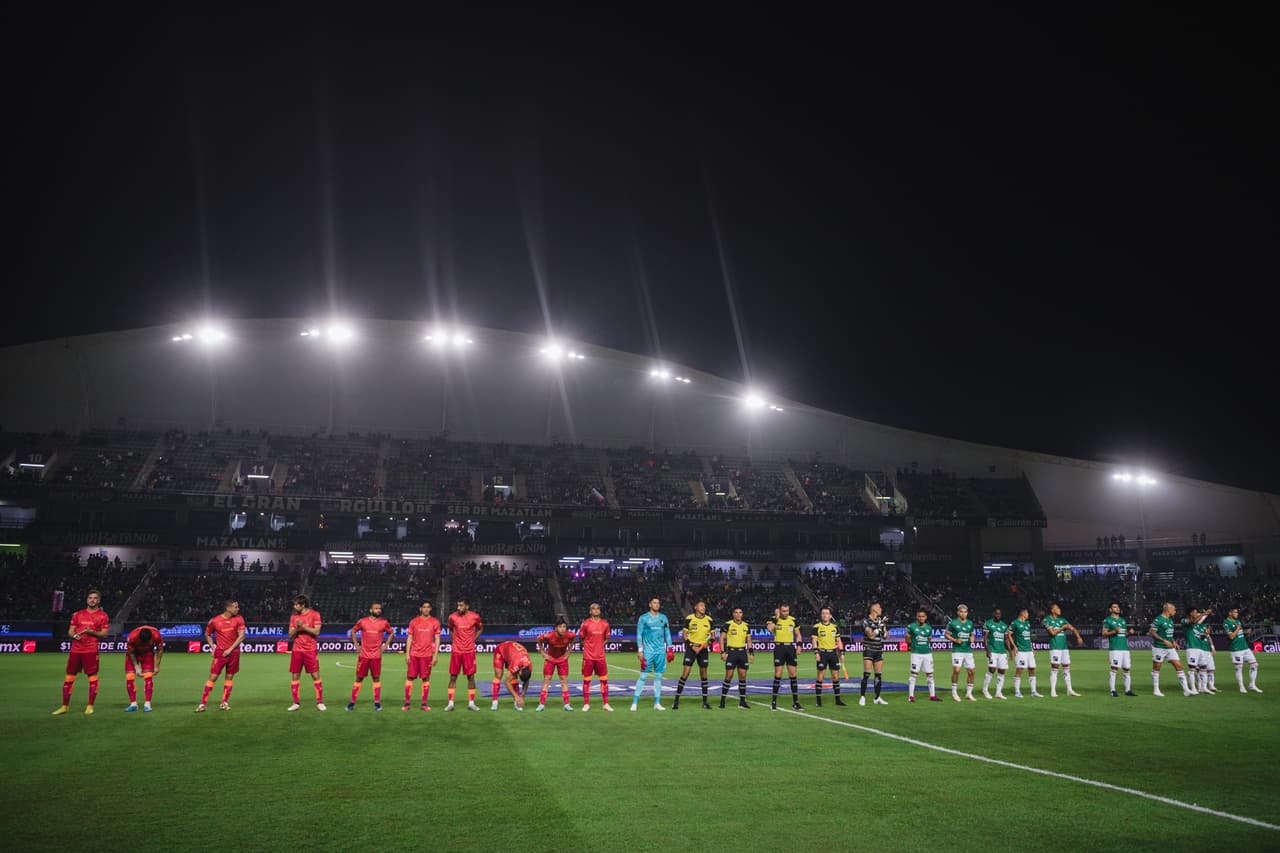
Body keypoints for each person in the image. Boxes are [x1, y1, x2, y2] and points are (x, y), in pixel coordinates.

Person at [54, 590, 109, 716]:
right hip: (76, 650)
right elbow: (70, 631)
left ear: (99, 601)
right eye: (90, 598)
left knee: (92, 677)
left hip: (91, 650)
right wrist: (74, 636)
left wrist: (91, 632)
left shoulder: (103, 616)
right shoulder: (78, 614)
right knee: (69, 677)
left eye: (95, 598)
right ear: (87, 599)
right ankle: (64, 706)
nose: (92, 600)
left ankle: (90, 706)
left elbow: (104, 634)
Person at [197, 599, 245, 712]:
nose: (238, 609)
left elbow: (242, 636)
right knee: (213, 677)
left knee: (229, 677)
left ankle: (224, 702)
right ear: (228, 608)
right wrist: (212, 647)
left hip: (233, 653)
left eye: (237, 607)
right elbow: (207, 634)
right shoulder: (215, 621)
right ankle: (203, 704)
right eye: (235, 607)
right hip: (220, 653)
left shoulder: (239, 619)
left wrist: (230, 649)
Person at [347, 602, 393, 711]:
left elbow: (391, 633)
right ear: (371, 610)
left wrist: (385, 646)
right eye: (376, 608)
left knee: (376, 678)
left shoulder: (384, 622)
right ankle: (352, 702)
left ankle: (377, 703)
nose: (378, 610)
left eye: (379, 609)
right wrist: (356, 645)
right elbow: (353, 631)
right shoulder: (362, 621)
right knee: (359, 678)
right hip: (364, 655)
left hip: (376, 656)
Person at [631, 597, 671, 711]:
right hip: (648, 652)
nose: (657, 604)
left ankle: (657, 703)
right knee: (643, 676)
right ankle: (634, 702)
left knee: (658, 677)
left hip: (660, 652)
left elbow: (667, 634)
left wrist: (670, 648)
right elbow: (639, 634)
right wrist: (640, 650)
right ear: (650, 604)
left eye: (658, 603)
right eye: (654, 602)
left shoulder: (663, 618)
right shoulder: (644, 618)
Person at [287, 595, 326, 711]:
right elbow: (290, 635)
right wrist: (296, 627)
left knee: (315, 675)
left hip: (310, 649)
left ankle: (320, 702)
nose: (294, 606)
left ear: (303, 605)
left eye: (296, 604)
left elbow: (317, 631)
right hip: (297, 649)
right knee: (295, 675)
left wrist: (302, 626)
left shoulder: (315, 614)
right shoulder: (294, 617)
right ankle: (296, 703)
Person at [673, 600, 714, 710]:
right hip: (691, 649)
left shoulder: (709, 620)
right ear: (696, 607)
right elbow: (685, 635)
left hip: (703, 650)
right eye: (701, 605)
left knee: (704, 675)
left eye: (704, 606)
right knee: (685, 674)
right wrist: (692, 646)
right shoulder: (690, 618)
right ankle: (676, 700)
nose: (703, 607)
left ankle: (705, 702)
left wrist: (708, 643)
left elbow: (713, 636)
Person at [445, 598, 483, 711]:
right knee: (453, 676)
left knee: (471, 677)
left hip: (469, 651)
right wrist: (454, 641)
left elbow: (480, 628)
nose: (458, 608)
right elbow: (450, 628)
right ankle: (450, 703)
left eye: (461, 605)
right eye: (458, 605)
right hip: (456, 651)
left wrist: (473, 640)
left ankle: (471, 703)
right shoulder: (452, 617)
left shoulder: (475, 617)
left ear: (467, 606)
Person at [1149, 601, 1192, 697]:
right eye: (1174, 609)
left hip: (1170, 648)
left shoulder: (1170, 620)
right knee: (1157, 667)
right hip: (1159, 647)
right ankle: (1156, 690)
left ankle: (1186, 690)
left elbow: (1169, 634)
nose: (1175, 611)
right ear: (1168, 609)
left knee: (1178, 666)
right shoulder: (1158, 619)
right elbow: (1152, 632)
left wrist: (1174, 642)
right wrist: (1164, 640)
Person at [403, 601, 440, 711]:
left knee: (426, 678)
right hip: (414, 654)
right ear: (420, 609)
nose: (426, 609)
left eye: (428, 607)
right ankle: (407, 703)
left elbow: (437, 639)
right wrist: (407, 654)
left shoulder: (435, 622)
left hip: (427, 655)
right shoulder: (414, 621)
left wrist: (435, 655)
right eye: (424, 607)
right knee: (410, 677)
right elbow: (409, 638)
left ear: (430, 609)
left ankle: (424, 703)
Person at [577, 602, 613, 711]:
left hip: (600, 657)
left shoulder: (605, 624)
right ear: (590, 611)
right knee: (586, 680)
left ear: (600, 611)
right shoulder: (586, 624)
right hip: (588, 657)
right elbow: (581, 638)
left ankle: (606, 703)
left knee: (604, 680)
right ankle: (586, 704)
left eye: (598, 608)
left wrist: (600, 645)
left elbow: (607, 638)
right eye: (593, 609)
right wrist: (588, 647)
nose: (596, 610)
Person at [767, 603, 803, 710]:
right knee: (778, 674)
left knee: (793, 674)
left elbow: (798, 634)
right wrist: (777, 618)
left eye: (787, 611)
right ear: (779, 610)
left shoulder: (793, 620)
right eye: (783, 611)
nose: (785, 613)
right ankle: (773, 702)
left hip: (790, 648)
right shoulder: (773, 619)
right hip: (779, 648)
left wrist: (799, 645)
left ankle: (796, 702)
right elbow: (770, 629)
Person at [535, 617, 576, 711]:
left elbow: (573, 639)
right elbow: (538, 639)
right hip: (551, 659)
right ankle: (541, 704)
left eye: (564, 627)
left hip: (562, 660)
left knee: (564, 681)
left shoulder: (570, 635)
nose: (563, 629)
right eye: (561, 627)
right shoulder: (549, 636)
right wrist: (542, 652)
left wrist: (568, 652)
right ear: (556, 628)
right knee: (547, 680)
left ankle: (566, 704)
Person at [1043, 603, 1083, 697]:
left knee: (1066, 667)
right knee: (1055, 667)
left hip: (1064, 648)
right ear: (1052, 610)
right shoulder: (1047, 620)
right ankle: (1053, 691)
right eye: (1057, 608)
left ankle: (1069, 690)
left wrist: (1078, 637)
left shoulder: (1062, 620)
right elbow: (1052, 633)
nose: (1059, 609)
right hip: (1055, 647)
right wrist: (1063, 628)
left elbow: (1073, 628)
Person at [718, 607, 754, 709]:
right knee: (728, 677)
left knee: (742, 677)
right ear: (733, 614)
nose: (738, 614)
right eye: (736, 613)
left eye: (740, 613)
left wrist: (751, 653)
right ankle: (722, 701)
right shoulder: (728, 624)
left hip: (742, 653)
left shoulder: (746, 626)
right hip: (732, 653)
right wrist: (722, 651)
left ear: (742, 614)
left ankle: (742, 702)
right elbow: (721, 638)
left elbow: (749, 640)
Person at [811, 607, 846, 707]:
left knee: (835, 677)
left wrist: (842, 653)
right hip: (822, 653)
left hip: (833, 653)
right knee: (820, 677)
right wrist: (816, 653)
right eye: (823, 613)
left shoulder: (834, 627)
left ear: (830, 616)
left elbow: (838, 641)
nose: (824, 615)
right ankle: (818, 701)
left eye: (826, 613)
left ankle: (838, 700)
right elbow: (814, 641)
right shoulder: (817, 627)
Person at [124, 624, 163, 712]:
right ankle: (133, 704)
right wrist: (136, 667)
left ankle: (147, 704)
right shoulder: (132, 636)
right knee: (129, 677)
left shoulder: (156, 635)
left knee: (148, 677)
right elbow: (131, 652)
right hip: (134, 654)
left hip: (148, 654)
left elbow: (160, 650)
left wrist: (157, 666)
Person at [1223, 606, 1262, 693]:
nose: (1237, 614)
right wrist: (1237, 628)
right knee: (1239, 667)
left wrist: (1245, 631)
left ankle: (1252, 685)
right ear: (1230, 613)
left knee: (1255, 665)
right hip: (1236, 648)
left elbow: (1239, 632)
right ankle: (1241, 687)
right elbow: (1231, 636)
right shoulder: (1226, 623)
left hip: (1245, 647)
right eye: (1235, 612)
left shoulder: (1237, 621)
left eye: (1237, 612)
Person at [1101, 602, 1136, 697]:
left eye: (1118, 607)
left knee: (1127, 669)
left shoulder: (1122, 620)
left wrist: (1129, 633)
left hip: (1125, 648)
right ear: (1110, 609)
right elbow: (1104, 634)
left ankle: (1128, 690)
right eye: (1114, 607)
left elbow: (1123, 635)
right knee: (1114, 669)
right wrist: (1114, 631)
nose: (1117, 608)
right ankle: (1112, 690)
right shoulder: (1107, 620)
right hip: (1115, 649)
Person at [906, 610, 939, 702]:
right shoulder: (911, 626)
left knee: (930, 675)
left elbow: (928, 640)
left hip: (927, 654)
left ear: (926, 617)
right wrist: (911, 644)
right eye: (919, 616)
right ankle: (911, 697)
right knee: (913, 674)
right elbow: (907, 639)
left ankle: (932, 696)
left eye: (923, 616)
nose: (921, 618)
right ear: (917, 617)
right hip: (916, 654)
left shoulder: (929, 628)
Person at [945, 604, 976, 702]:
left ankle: (969, 694)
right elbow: (946, 634)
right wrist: (954, 640)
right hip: (957, 650)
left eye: (965, 612)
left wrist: (972, 638)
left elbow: (972, 634)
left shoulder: (970, 623)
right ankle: (954, 693)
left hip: (968, 650)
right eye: (961, 612)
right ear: (958, 612)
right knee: (957, 670)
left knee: (971, 672)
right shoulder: (953, 623)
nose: (963, 614)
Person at [1009, 607, 1042, 698]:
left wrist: (1031, 647)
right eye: (1027, 613)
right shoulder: (1015, 623)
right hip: (1020, 650)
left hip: (1029, 651)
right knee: (1020, 669)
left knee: (1032, 669)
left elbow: (1028, 637)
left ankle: (1034, 691)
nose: (1028, 615)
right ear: (1023, 614)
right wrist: (1014, 646)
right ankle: (1017, 691)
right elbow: (1009, 635)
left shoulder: (1027, 623)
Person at [860, 602, 889, 706]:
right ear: (873, 609)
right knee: (867, 674)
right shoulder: (865, 621)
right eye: (879, 607)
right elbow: (871, 636)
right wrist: (878, 628)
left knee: (878, 675)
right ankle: (862, 696)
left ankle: (877, 697)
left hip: (878, 650)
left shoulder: (880, 621)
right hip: (869, 649)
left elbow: (885, 636)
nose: (881, 608)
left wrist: (883, 628)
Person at [490, 640, 532, 710]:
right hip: (501, 650)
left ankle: (516, 703)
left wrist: (522, 696)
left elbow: (526, 681)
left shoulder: (529, 666)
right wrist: (516, 696)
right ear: (520, 671)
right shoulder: (516, 664)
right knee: (498, 675)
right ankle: (494, 703)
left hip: (512, 654)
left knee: (514, 677)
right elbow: (507, 682)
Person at [981, 607, 1009, 699]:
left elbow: (1006, 640)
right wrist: (988, 651)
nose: (998, 615)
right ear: (993, 614)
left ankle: (998, 692)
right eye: (996, 614)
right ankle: (985, 690)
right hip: (993, 651)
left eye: (999, 614)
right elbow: (985, 639)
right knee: (992, 670)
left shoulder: (1004, 625)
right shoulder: (988, 624)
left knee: (1002, 671)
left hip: (1002, 652)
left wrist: (1010, 651)